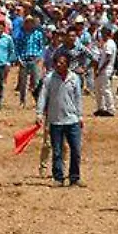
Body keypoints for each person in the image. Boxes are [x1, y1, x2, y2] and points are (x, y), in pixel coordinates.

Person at [36, 52, 85, 187]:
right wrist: (39, 113)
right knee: (57, 151)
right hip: (55, 120)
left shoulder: (74, 78)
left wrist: (80, 116)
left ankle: (74, 177)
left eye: (62, 63)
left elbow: (78, 98)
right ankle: (58, 178)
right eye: (57, 62)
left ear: (67, 65)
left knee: (76, 150)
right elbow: (43, 96)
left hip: (72, 120)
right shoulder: (49, 79)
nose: (59, 65)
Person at [94, 26, 117, 116]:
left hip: (105, 70)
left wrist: (100, 69)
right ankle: (101, 108)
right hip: (103, 69)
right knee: (99, 89)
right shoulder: (106, 43)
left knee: (106, 89)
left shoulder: (110, 44)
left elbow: (108, 58)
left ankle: (110, 109)